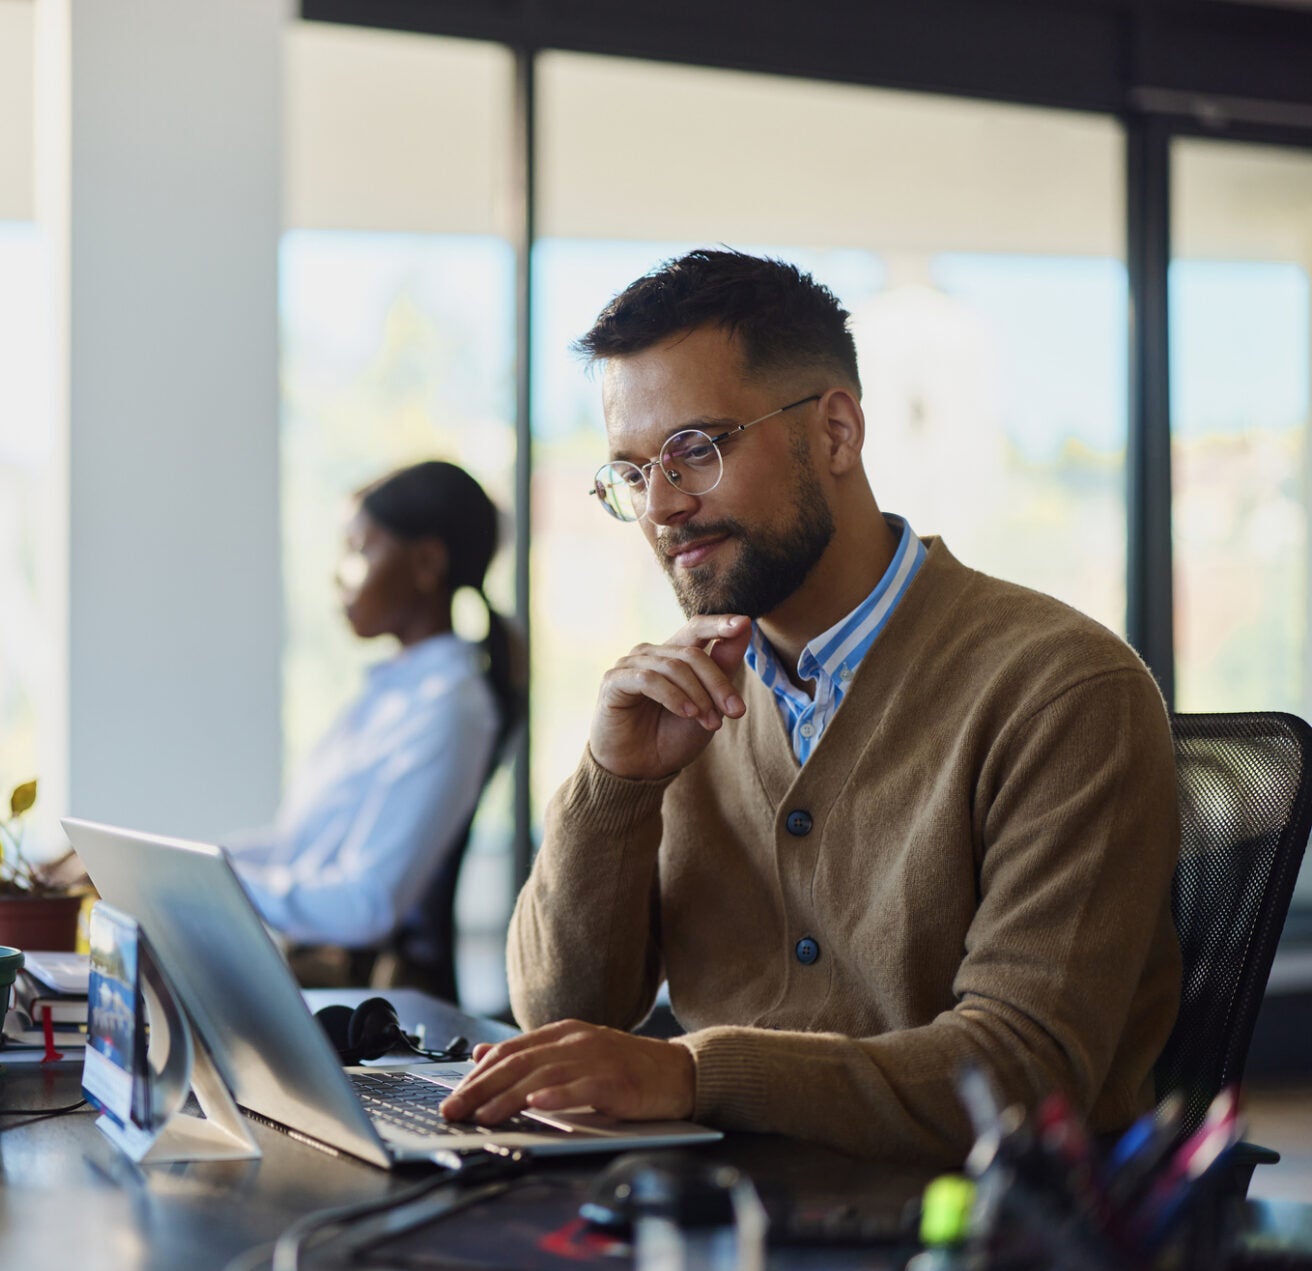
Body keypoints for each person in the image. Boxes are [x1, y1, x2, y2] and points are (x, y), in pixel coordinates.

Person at [438, 249, 1181, 1164]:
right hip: (720, 1206)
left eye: (696, 451)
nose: (662, 508)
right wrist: (614, 786)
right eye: (632, 473)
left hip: (975, 1246)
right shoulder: (679, 700)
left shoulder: (1061, 689)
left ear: (835, 433)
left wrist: (691, 1075)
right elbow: (560, 1018)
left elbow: (1026, 1070)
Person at [228, 460, 523, 996]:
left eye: (360, 549)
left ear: (427, 561)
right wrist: (183, 871)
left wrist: (216, 889)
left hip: (365, 1007)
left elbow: (367, 905)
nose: (339, 573)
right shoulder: (391, 694)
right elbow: (297, 851)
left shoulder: (449, 706)